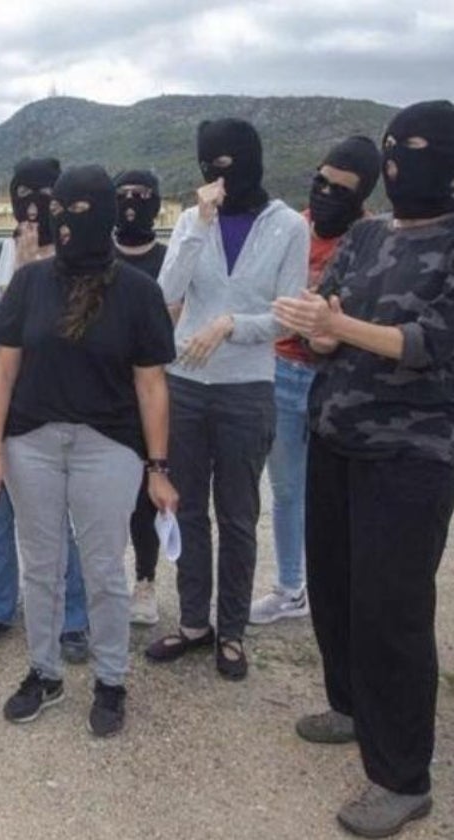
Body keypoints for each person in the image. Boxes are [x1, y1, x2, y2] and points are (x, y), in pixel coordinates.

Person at [272, 100, 454, 839]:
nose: (396, 159)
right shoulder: (368, 233)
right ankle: (351, 706)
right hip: (336, 438)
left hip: (410, 458)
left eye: (414, 146)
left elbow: (428, 342)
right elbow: (328, 316)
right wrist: (316, 333)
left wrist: (337, 327)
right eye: (390, 146)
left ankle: (403, 779)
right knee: (339, 591)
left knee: (393, 612)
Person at [0, 165, 178, 737]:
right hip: (30, 443)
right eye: (59, 210)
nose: (65, 223)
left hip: (108, 446)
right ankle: (44, 672)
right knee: (41, 565)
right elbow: (2, 369)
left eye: (81, 211)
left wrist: (158, 468)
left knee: (102, 569)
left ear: (107, 215)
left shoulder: (138, 291)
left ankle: (111, 679)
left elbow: (151, 384)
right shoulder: (30, 283)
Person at [145, 118, 308, 680]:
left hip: (247, 389)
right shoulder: (193, 220)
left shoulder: (288, 226)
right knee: (186, 508)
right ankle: (194, 622)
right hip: (185, 384)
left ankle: (231, 629)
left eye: (227, 163)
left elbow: (287, 315)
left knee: (238, 514)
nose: (218, 175)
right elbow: (164, 293)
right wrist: (198, 225)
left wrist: (231, 325)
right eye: (208, 164)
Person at [0, 156, 90, 662]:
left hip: (43, 400)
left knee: (55, 514)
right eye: (23, 193)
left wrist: (40, 278)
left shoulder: (77, 260)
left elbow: (69, 333)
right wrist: (12, 287)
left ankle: (73, 618)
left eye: (45, 195)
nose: (33, 206)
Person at [249, 137, 380, 625]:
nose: (324, 194)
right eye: (320, 181)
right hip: (282, 371)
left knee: (338, 492)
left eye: (339, 190)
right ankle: (290, 587)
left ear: (363, 195)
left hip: (340, 379)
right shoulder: (292, 228)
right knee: (285, 490)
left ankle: (344, 589)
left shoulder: (373, 241)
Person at [112, 168, 168, 626]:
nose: (131, 201)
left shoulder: (170, 259)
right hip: (104, 390)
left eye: (142, 194)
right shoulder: (99, 254)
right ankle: (105, 583)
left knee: (147, 496)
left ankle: (145, 581)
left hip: (151, 388)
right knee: (104, 496)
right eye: (123, 194)